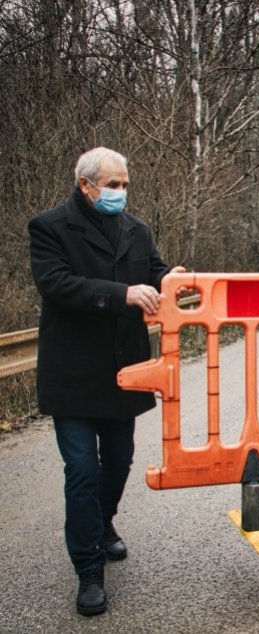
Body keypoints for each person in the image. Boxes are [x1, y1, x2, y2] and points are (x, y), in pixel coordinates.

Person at [28, 147, 178, 615]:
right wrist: (122, 295)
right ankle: (88, 567)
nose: (120, 192)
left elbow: (153, 271)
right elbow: (56, 285)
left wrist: (172, 278)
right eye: (112, 185)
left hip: (122, 370)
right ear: (86, 185)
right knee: (82, 471)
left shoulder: (137, 230)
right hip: (73, 373)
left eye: (124, 184)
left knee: (118, 462)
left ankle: (104, 523)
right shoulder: (49, 227)